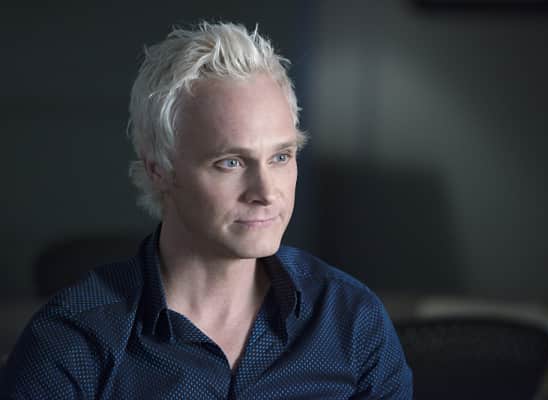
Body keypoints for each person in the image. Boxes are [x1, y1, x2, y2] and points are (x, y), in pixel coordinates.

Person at [1, 22, 413, 399]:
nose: (265, 192)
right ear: (159, 169)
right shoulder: (71, 343)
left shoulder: (351, 319)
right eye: (230, 162)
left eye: (281, 157)